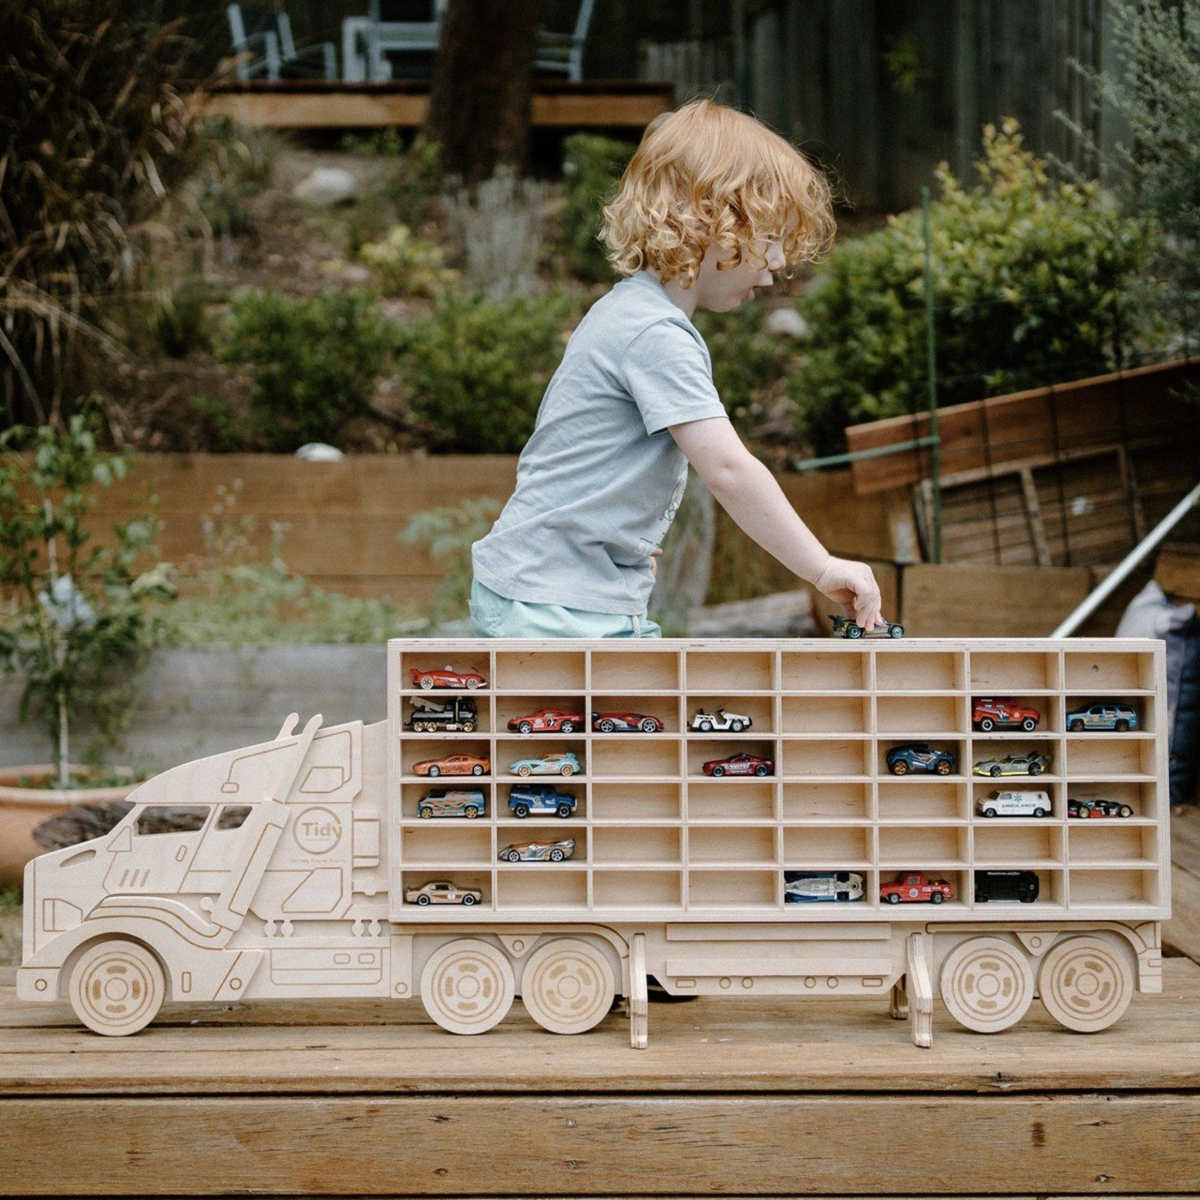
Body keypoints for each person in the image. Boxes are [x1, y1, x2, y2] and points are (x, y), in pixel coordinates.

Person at [470, 98, 883, 638]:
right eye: (772, 238)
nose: (781, 264)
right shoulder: (654, 335)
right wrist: (823, 567)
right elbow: (731, 471)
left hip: (563, 594)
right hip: (553, 606)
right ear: (710, 220)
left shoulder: (632, 314)